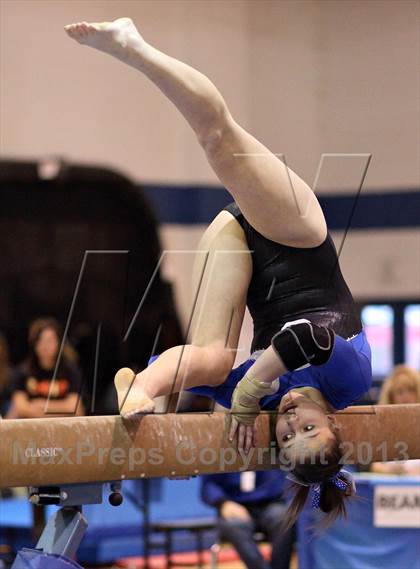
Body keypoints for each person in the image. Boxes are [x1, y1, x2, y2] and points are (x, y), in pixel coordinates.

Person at [64, 18, 372, 528]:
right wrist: (250, 396)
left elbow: (201, 374)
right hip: (296, 237)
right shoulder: (349, 379)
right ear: (333, 420)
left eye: (288, 437)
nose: (292, 422)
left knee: (209, 360)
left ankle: (137, 390)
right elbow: (307, 338)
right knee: (217, 138)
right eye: (309, 427)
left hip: (237, 243)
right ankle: (132, 45)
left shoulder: (266, 404)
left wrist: (166, 384)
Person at [201, 470, 294, 569]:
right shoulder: (219, 456)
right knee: (234, 525)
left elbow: (279, 481)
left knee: (284, 518)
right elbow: (209, 485)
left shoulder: (269, 454)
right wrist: (223, 503)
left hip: (269, 504)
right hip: (233, 505)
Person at [10, 318, 84, 418]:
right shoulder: (22, 372)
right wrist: (62, 409)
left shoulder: (70, 371)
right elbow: (21, 408)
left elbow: (75, 408)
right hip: (32, 427)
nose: (45, 346)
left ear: (59, 342)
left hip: (64, 426)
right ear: (33, 344)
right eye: (40, 340)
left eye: (50, 340)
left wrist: (43, 405)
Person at [370, 365, 420, 475]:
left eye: (410, 390)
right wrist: (389, 471)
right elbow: (373, 465)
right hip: (390, 485)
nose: (406, 396)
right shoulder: (381, 426)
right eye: (400, 391)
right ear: (391, 397)